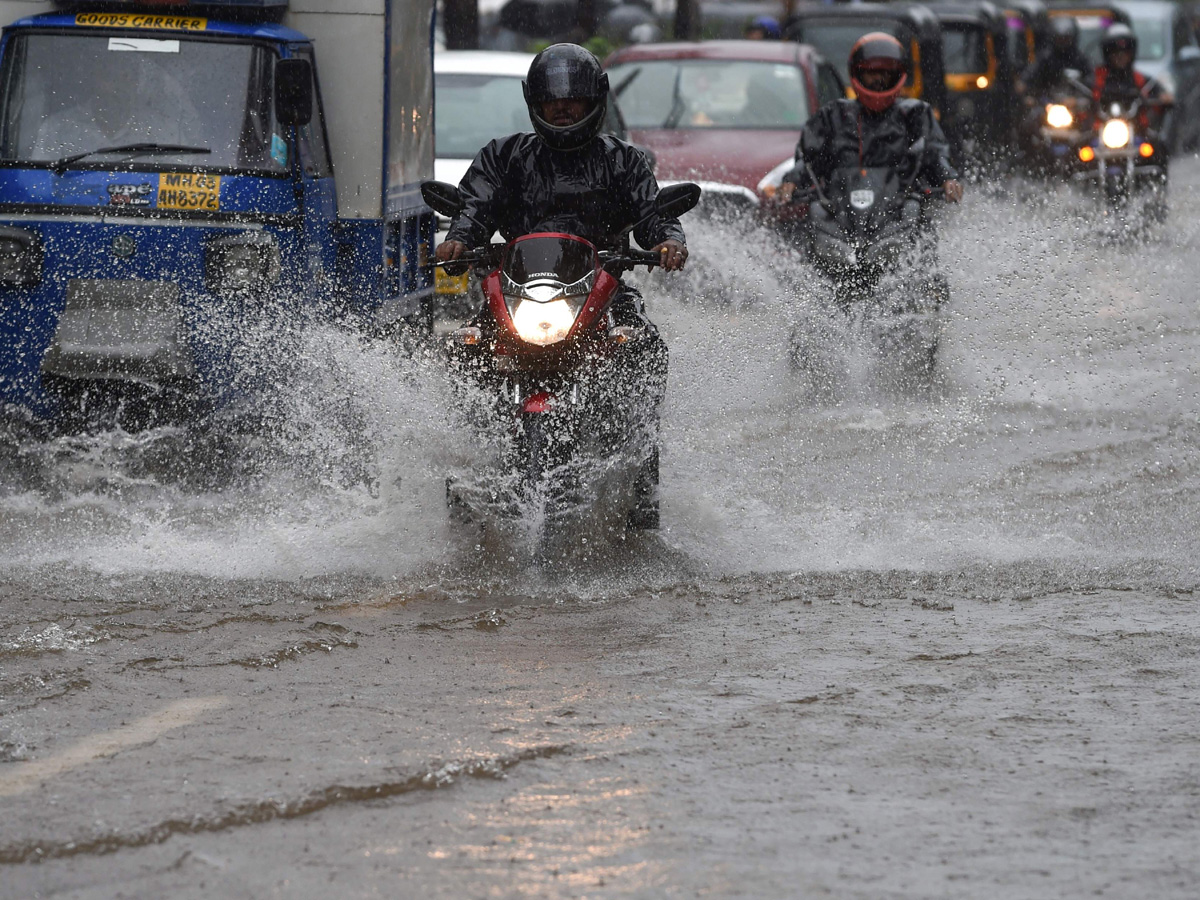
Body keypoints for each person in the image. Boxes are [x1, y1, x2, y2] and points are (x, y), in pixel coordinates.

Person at [435, 44, 687, 522]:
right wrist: (458, 241)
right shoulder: (504, 157)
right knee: (464, 345)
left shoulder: (623, 161)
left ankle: (639, 482)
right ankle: (465, 471)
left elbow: (654, 215)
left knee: (644, 345)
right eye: (554, 102)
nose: (564, 109)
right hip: (518, 290)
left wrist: (667, 242)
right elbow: (473, 207)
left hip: (602, 292)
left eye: (573, 101)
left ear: (596, 102)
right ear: (536, 104)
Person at [778, 32, 963, 205]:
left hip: (898, 211)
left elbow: (936, 152)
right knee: (810, 218)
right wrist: (791, 181)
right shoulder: (833, 115)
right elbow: (809, 160)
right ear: (857, 74)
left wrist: (947, 178)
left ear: (897, 75)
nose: (878, 79)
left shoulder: (915, 114)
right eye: (871, 72)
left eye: (885, 73)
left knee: (922, 220)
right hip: (840, 213)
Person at [1093, 23, 1173, 133]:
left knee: (1160, 144)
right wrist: (1075, 101)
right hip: (1100, 132)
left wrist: (1164, 98)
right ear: (1107, 54)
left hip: (1137, 132)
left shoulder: (1141, 81)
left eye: (1125, 51)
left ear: (1131, 53)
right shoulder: (1096, 78)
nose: (1120, 56)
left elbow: (1159, 94)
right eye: (1115, 52)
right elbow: (1081, 93)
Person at [1017, 15, 1092, 101]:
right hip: (1048, 100)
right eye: (1060, 39)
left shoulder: (1080, 58)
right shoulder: (1045, 57)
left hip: (1074, 102)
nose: (1063, 42)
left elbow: (1090, 79)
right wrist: (1023, 83)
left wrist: (1077, 97)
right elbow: (1031, 72)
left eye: (1066, 38)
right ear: (1053, 38)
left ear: (1073, 38)